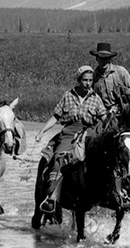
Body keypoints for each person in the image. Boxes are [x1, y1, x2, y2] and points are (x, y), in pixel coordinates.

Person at [38, 65, 108, 213]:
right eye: (85, 80)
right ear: (78, 80)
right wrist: (42, 131)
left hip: (89, 133)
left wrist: (111, 120)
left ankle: (109, 193)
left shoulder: (96, 99)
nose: (88, 83)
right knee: (59, 157)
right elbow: (56, 117)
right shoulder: (68, 95)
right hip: (69, 132)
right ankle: (52, 196)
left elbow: (104, 118)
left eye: (90, 80)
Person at [90, 42, 130, 116]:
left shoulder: (120, 71)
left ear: (110, 59)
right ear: (97, 59)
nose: (104, 61)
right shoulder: (93, 77)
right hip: (105, 114)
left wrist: (128, 91)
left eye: (106, 58)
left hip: (125, 112)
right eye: (101, 58)